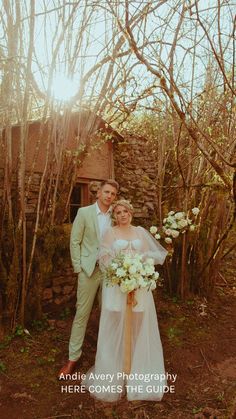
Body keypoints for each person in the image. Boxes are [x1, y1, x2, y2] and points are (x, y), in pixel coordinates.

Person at [82, 199, 168, 401]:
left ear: (131, 212)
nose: (122, 215)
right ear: (115, 216)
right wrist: (121, 272)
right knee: (115, 326)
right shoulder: (110, 233)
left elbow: (149, 255)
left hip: (138, 287)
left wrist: (140, 271)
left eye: (125, 211)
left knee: (138, 327)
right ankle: (115, 371)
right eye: (118, 212)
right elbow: (103, 257)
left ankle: (136, 371)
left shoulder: (140, 232)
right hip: (117, 287)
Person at [58, 179, 119, 377]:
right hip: (88, 271)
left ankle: (109, 357)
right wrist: (79, 268)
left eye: (113, 194)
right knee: (81, 314)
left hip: (109, 272)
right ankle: (72, 359)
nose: (110, 196)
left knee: (109, 313)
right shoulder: (84, 213)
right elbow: (74, 241)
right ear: (99, 193)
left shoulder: (116, 216)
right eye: (107, 192)